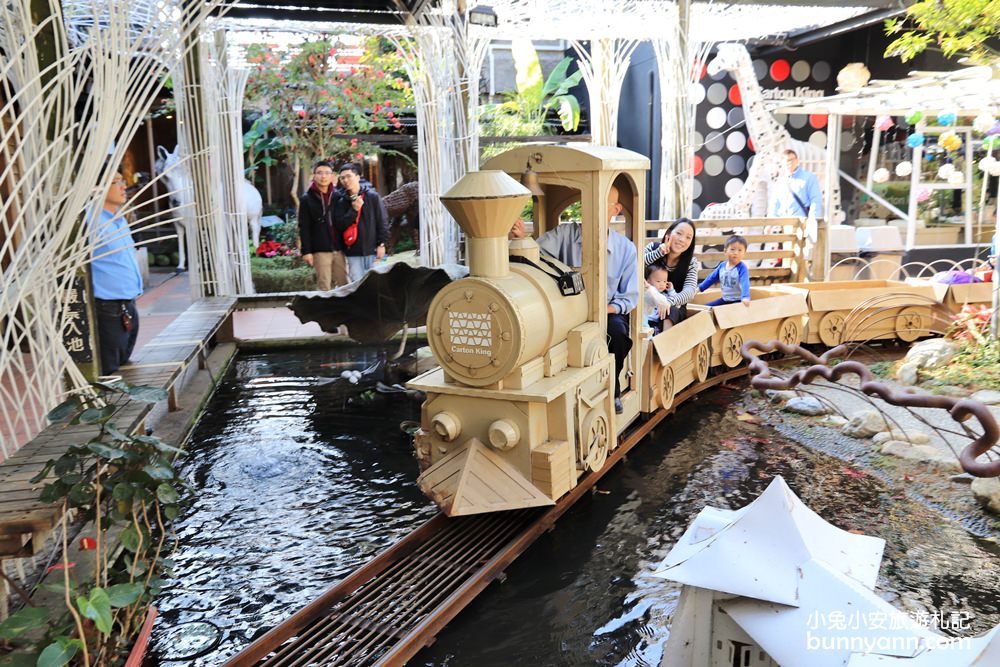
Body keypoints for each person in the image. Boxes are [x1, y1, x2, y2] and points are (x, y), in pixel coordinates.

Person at [537, 186, 638, 414]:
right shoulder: (564, 234)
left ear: (616, 209)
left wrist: (605, 310)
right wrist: (518, 238)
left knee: (618, 335)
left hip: (607, 311)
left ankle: (613, 389)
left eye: (602, 203)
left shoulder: (626, 249)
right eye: (589, 202)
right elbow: (534, 252)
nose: (592, 208)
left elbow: (629, 297)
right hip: (565, 310)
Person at [89, 171, 143, 375]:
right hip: (107, 307)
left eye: (122, 181)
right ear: (97, 188)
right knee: (110, 372)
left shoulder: (118, 220)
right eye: (115, 182)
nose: (123, 187)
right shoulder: (90, 222)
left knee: (123, 365)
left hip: (128, 304)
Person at [331, 163, 390, 281]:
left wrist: (382, 244)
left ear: (358, 177)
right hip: (353, 252)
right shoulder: (340, 200)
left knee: (377, 284)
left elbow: (382, 221)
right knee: (357, 285)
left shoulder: (372, 196)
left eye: (349, 176)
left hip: (373, 250)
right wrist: (353, 210)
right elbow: (339, 225)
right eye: (342, 178)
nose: (345, 180)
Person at [298, 160, 347, 291]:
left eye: (327, 173)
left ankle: (344, 311)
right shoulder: (306, 199)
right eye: (319, 173)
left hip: (339, 248)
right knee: (324, 285)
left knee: (344, 284)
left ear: (332, 176)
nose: (323, 176)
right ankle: (325, 311)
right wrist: (306, 251)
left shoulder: (338, 196)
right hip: (320, 249)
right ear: (314, 175)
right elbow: (304, 226)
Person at [643, 218, 699, 330]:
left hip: (673, 306)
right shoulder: (653, 248)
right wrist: (659, 253)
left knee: (671, 311)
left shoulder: (691, 263)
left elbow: (690, 291)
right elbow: (636, 265)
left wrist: (666, 302)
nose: (682, 239)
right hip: (647, 301)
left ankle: (663, 345)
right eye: (679, 233)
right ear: (669, 233)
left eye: (688, 237)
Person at [698, 235, 752, 307]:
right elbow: (711, 278)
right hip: (725, 299)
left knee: (732, 311)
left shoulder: (742, 268)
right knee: (707, 307)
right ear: (725, 251)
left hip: (738, 301)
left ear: (744, 253)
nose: (736, 253)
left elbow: (745, 282)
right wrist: (699, 288)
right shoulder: (722, 266)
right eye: (732, 249)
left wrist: (745, 297)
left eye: (740, 250)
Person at [771, 149, 823, 218]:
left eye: (792, 159)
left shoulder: (809, 178)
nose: (790, 162)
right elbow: (774, 205)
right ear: (782, 162)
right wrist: (771, 223)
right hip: (782, 223)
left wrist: (813, 220)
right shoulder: (780, 182)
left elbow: (815, 200)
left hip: (801, 223)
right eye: (787, 160)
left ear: (797, 160)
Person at [644, 263, 671, 334]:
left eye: (664, 281)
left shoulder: (665, 294)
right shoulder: (649, 292)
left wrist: (671, 290)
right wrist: (649, 287)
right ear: (648, 281)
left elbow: (676, 303)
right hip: (649, 320)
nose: (662, 284)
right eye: (658, 281)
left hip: (658, 321)